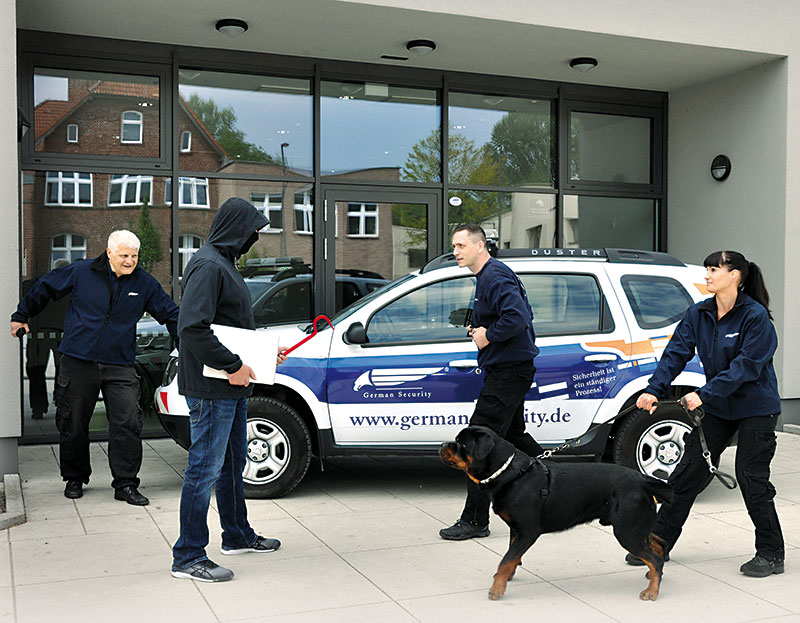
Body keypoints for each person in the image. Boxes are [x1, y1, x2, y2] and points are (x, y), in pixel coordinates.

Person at [626, 250, 784, 577]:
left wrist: (704, 394)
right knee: (687, 473)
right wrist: (654, 389)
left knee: (752, 479)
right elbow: (675, 353)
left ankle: (771, 552)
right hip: (720, 407)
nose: (708, 275)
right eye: (707, 269)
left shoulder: (755, 318)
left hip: (756, 407)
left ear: (735, 276)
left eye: (714, 269)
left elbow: (746, 367)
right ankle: (658, 542)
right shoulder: (699, 314)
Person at [11, 230, 179, 505]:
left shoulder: (144, 283)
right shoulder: (81, 272)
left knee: (127, 422)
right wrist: (21, 316)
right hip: (78, 359)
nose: (129, 261)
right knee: (74, 421)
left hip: (119, 363)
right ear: (109, 252)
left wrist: (186, 344)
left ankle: (125, 483)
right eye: (124, 255)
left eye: (134, 256)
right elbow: (45, 287)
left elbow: (170, 314)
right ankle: (75, 477)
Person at [172, 197, 287, 583]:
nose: (255, 237)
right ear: (237, 228)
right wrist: (234, 365)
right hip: (212, 388)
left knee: (233, 465)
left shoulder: (223, 263)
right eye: (253, 230)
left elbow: (228, 327)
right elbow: (192, 327)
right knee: (203, 470)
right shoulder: (208, 265)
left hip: (229, 386)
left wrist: (265, 355)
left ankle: (236, 534)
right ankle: (188, 556)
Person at [439, 225, 543, 540]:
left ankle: (474, 520)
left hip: (508, 372)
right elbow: (507, 316)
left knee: (476, 443)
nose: (455, 251)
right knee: (513, 436)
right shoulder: (488, 276)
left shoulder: (494, 276)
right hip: (510, 368)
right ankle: (557, 483)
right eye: (454, 246)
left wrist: (488, 335)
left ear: (480, 246)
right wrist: (479, 325)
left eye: (460, 245)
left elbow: (518, 317)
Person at [24, 258, 70, 420]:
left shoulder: (38, 284)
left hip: (38, 334)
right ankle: (61, 402)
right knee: (64, 370)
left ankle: (38, 408)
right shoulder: (72, 287)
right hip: (62, 333)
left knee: (36, 370)